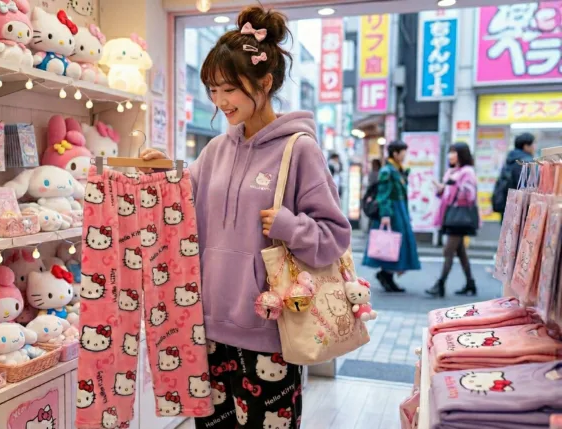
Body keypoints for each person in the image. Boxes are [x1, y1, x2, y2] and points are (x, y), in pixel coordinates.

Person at [139, 6, 351, 428]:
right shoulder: (215, 150)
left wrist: (291, 226)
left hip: (270, 333)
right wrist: (164, 173)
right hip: (207, 330)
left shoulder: (300, 149)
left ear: (265, 82)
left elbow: (335, 236)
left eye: (230, 89)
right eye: (213, 90)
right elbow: (182, 210)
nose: (220, 102)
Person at [362, 141, 420, 292]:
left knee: (397, 245)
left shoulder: (397, 169)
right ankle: (386, 275)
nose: (405, 156)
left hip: (399, 210)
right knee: (392, 244)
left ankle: (388, 276)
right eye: (403, 153)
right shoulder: (387, 171)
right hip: (392, 212)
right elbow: (383, 195)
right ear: (395, 153)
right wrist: (386, 214)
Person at [428, 143, 479, 297]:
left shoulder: (467, 172)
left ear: (461, 154)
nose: (450, 155)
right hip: (451, 214)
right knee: (460, 251)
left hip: (460, 217)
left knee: (448, 250)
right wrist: (441, 188)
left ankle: (440, 284)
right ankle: (470, 283)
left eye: (454, 152)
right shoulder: (451, 171)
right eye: (450, 152)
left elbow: (470, 195)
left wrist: (455, 184)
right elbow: (446, 194)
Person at [492, 133, 535, 217]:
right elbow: (527, 186)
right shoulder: (526, 161)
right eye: (533, 144)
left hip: (507, 202)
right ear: (526, 146)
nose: (534, 147)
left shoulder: (510, 159)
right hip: (520, 206)